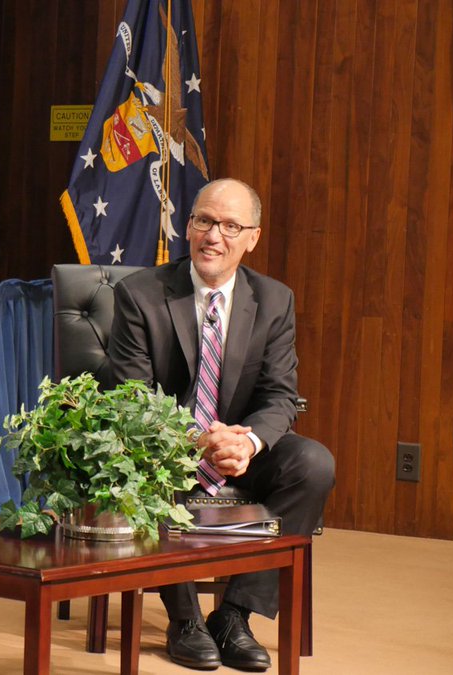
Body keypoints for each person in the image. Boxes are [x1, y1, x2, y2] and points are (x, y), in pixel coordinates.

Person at [105, 178, 335, 672]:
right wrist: (195, 439)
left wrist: (247, 442)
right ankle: (184, 618)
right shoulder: (139, 295)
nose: (214, 236)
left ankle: (234, 615)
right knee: (137, 467)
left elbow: (279, 395)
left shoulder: (274, 300)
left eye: (231, 226)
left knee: (313, 462)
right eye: (204, 221)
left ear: (252, 237)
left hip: (239, 453)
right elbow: (131, 397)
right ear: (187, 227)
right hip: (166, 452)